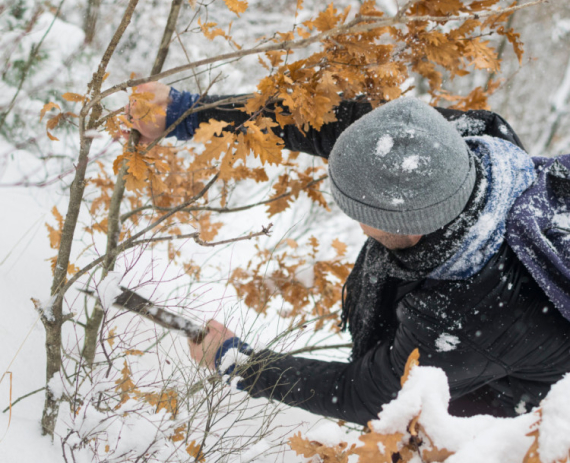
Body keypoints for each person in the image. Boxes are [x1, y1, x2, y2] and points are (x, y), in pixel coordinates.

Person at [130, 82, 570, 425]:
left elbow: (364, 394)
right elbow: (328, 124)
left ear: (406, 226)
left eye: (361, 212)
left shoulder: (465, 317)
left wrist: (239, 363)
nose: (356, 223)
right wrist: (184, 113)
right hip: (484, 339)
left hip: (510, 410)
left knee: (413, 436)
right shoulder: (451, 144)